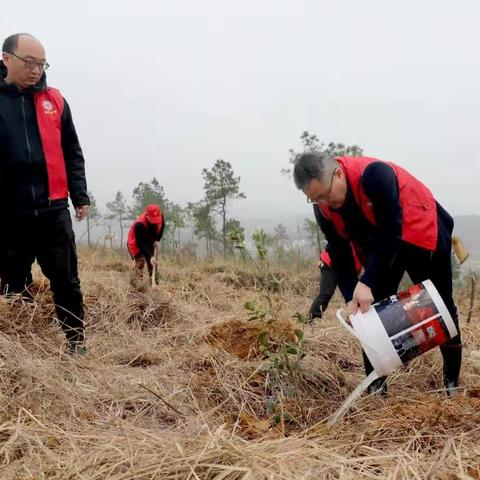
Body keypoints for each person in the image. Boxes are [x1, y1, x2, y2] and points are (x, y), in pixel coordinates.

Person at [293, 152, 462, 396]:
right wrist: (352, 295)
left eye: (326, 195)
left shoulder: (374, 175)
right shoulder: (324, 209)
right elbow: (339, 252)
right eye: (315, 200)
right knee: (368, 313)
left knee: (443, 306)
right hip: (382, 244)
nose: (324, 204)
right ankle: (376, 391)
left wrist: (368, 280)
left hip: (420, 232)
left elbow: (392, 230)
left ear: (338, 173)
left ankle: (451, 384)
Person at [0, 33, 90, 354]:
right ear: (6, 59)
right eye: (29, 63)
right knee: (12, 282)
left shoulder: (54, 101)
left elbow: (72, 151)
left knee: (66, 280)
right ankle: (18, 350)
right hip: (10, 213)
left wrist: (79, 195)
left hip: (52, 210)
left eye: (41, 64)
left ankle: (76, 343)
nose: (36, 70)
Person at [310, 244, 362, 320]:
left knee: (356, 297)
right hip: (331, 262)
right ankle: (312, 319)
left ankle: (356, 321)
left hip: (349, 270)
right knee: (326, 292)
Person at [127, 204, 165, 284]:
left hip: (150, 240)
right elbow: (140, 244)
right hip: (136, 243)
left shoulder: (160, 216)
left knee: (153, 263)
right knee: (140, 262)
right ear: (147, 216)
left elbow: (161, 228)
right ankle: (137, 285)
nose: (155, 221)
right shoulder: (139, 224)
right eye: (152, 219)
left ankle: (155, 282)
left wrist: (157, 240)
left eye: (156, 219)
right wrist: (150, 256)